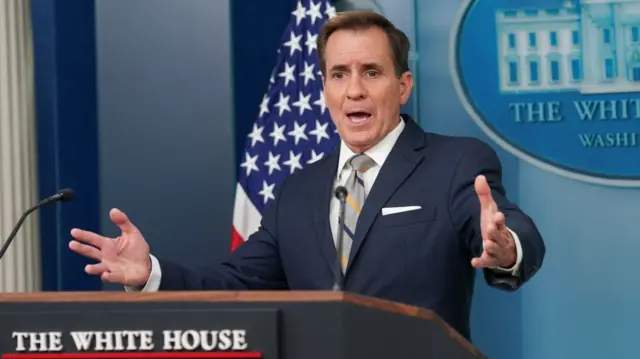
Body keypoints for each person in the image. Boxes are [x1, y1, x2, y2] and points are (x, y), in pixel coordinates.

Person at [69, 10, 545, 341]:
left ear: (402, 87)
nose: (354, 90)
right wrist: (150, 272)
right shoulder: (298, 190)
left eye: (371, 72)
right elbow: (237, 281)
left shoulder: (455, 163)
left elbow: (510, 228)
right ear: (323, 89)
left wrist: (505, 249)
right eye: (339, 74)